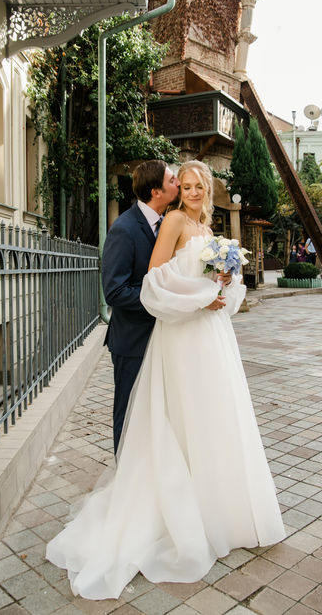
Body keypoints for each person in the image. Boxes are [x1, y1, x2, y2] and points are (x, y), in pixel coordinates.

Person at [46, 160, 285, 600]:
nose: (188, 190)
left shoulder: (207, 230)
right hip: (176, 333)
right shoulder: (165, 222)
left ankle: (215, 507)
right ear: (166, 191)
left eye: (196, 185)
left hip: (210, 335)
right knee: (161, 416)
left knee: (211, 416)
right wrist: (199, 297)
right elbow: (154, 281)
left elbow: (208, 282)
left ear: (207, 189)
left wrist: (223, 282)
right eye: (182, 184)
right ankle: (153, 499)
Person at [101, 160, 180, 453]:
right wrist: (161, 300)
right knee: (129, 412)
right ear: (156, 191)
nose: (178, 183)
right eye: (172, 180)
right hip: (132, 341)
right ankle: (123, 471)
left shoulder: (169, 223)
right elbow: (115, 291)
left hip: (164, 338)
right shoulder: (124, 228)